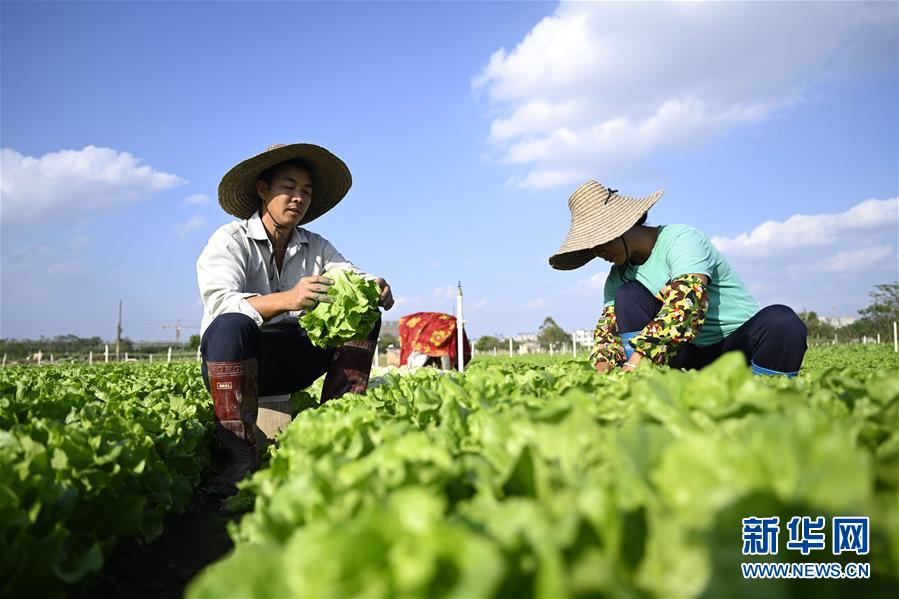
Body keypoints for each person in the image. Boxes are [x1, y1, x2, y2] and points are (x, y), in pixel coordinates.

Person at [196, 143, 394, 490]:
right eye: (288, 187)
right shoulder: (230, 240)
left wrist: (371, 286)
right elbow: (222, 302)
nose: (297, 198)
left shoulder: (316, 245)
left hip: (294, 361)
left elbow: (348, 274)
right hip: (239, 362)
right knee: (231, 323)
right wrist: (288, 299)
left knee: (364, 313)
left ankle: (337, 429)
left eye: (305, 191)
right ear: (263, 190)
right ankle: (238, 456)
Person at [549, 180, 807, 376]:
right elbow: (608, 334)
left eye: (598, 241)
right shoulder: (618, 277)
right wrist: (603, 373)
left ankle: (767, 399)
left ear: (621, 227)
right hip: (685, 355)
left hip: (734, 345)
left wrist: (637, 360)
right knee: (628, 295)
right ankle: (652, 388)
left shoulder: (681, 239)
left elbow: (687, 304)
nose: (597, 252)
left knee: (781, 322)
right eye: (590, 246)